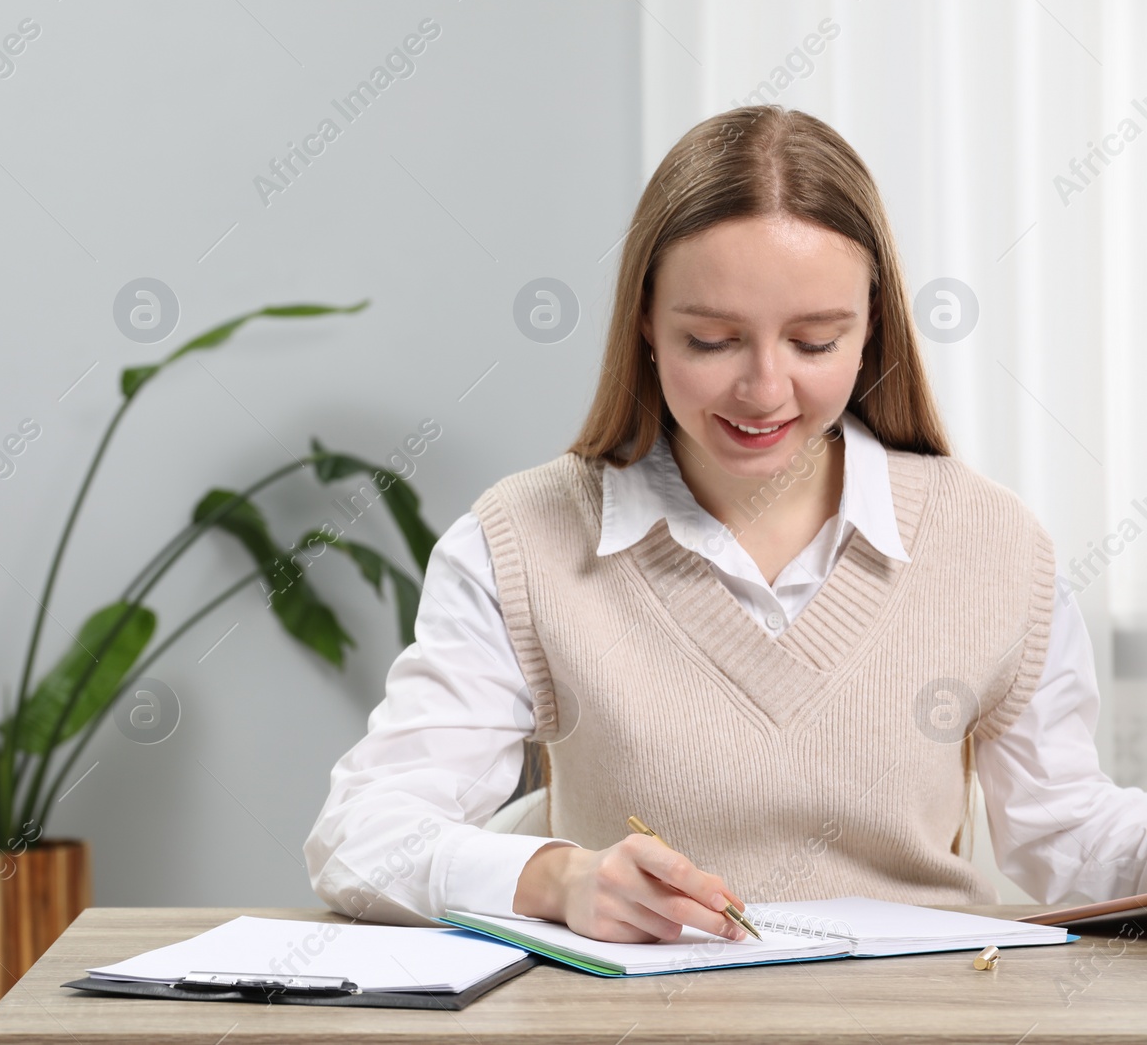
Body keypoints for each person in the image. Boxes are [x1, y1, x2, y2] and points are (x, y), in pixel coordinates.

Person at [303, 105, 1147, 946]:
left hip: (919, 1019)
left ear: (872, 329)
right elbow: (361, 836)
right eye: (712, 339)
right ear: (644, 320)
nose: (764, 390)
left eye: (815, 342)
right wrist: (556, 877)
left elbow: (1070, 834)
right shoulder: (523, 541)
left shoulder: (993, 544)